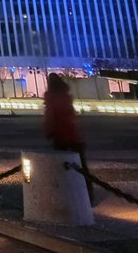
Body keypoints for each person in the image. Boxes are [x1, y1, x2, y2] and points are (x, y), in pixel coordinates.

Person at [43, 73, 93, 203]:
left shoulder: (51, 99)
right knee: (81, 167)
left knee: (62, 168)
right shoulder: (66, 97)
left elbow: (50, 119)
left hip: (60, 138)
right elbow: (72, 119)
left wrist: (48, 133)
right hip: (74, 137)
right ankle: (87, 196)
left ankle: (66, 197)